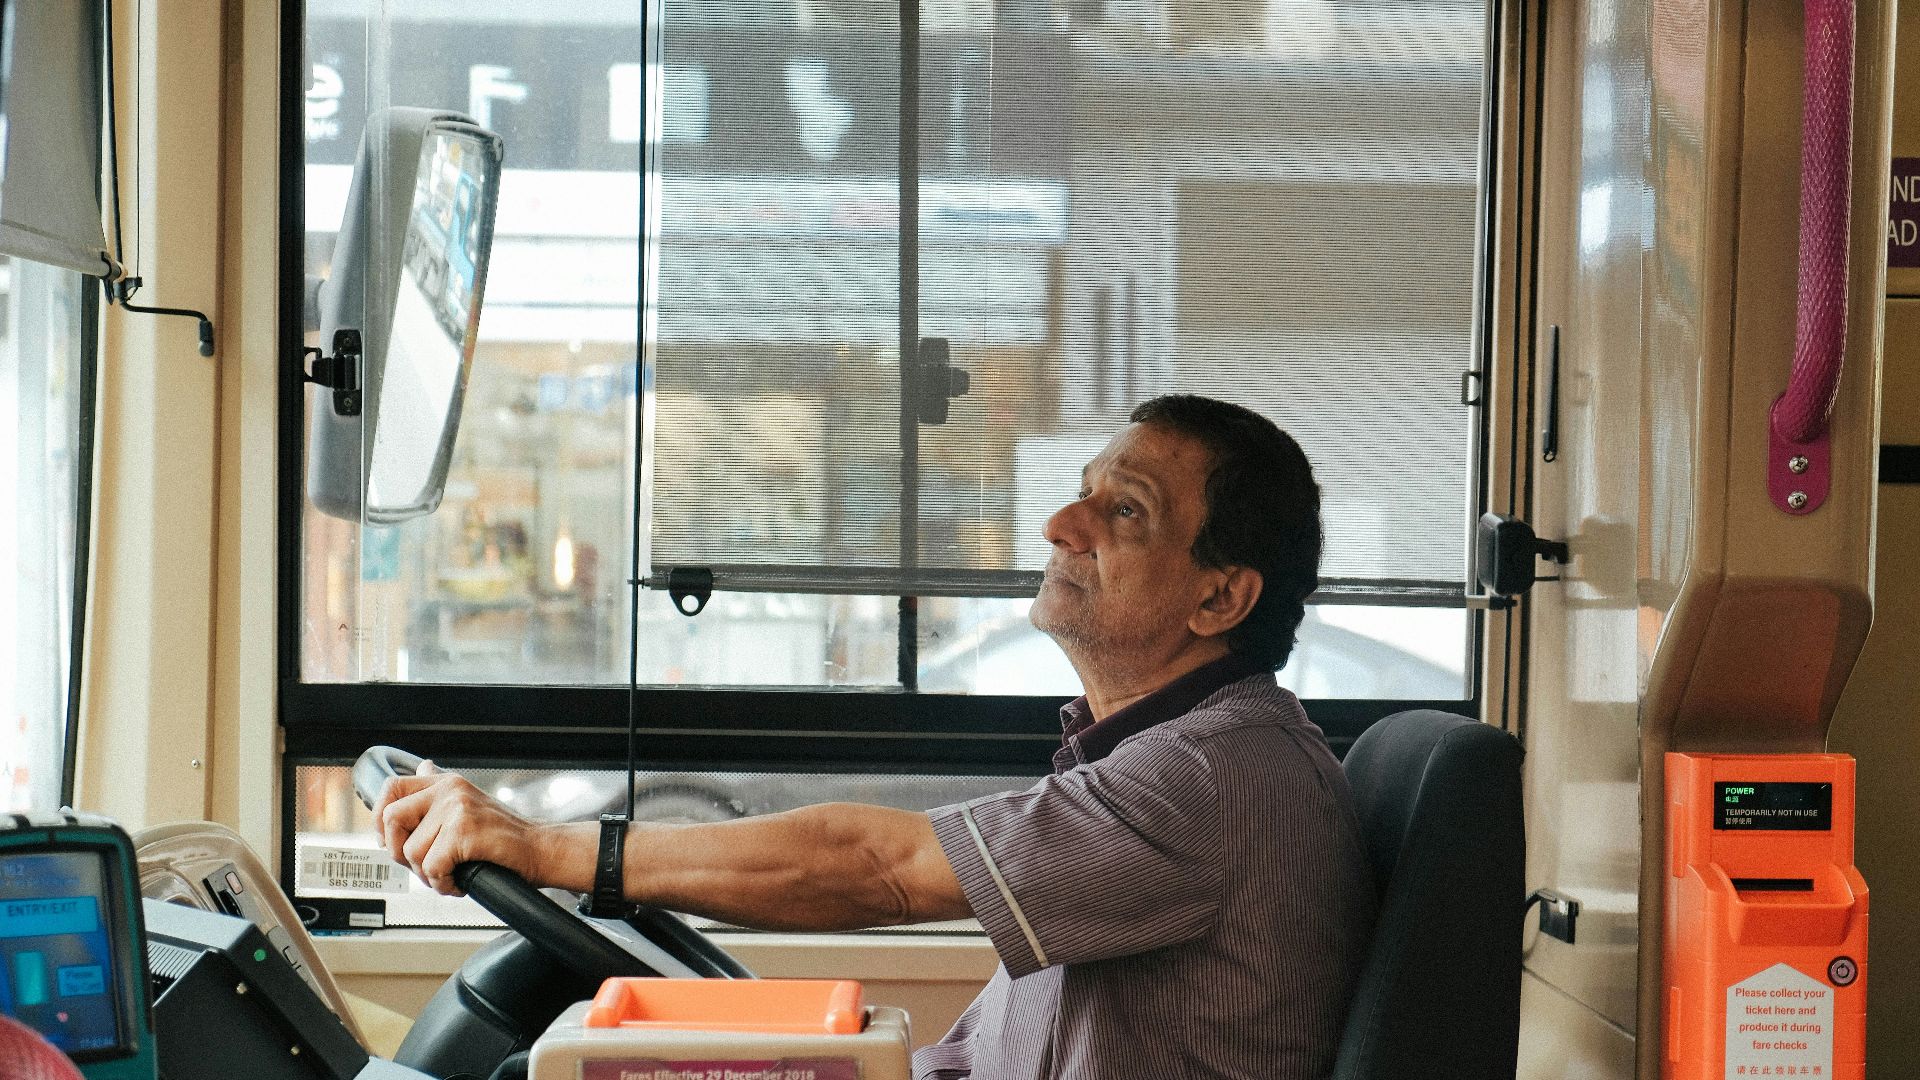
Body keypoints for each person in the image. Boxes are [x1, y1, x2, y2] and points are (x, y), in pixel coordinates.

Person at [375, 394, 1376, 1080]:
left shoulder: (1210, 777)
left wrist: (549, 849)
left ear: (1221, 597)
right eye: (1082, 490)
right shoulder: (1167, 756)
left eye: (1124, 511)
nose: (1061, 524)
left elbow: (878, 869)